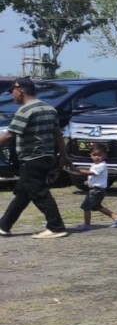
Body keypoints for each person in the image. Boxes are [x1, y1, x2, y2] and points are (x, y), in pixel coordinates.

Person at [0, 78, 69, 238]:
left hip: (31, 158)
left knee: (39, 192)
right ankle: (4, 225)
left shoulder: (25, 111)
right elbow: (57, 134)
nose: (13, 96)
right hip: (46, 157)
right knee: (24, 192)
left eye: (13, 92)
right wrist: (64, 155)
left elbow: (10, 134)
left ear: (20, 91)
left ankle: (56, 227)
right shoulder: (49, 109)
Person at [76, 143, 117, 232]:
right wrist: (89, 181)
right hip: (96, 190)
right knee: (97, 206)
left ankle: (87, 225)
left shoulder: (101, 165)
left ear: (105, 155)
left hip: (96, 191)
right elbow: (97, 177)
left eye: (99, 155)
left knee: (86, 207)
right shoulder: (95, 165)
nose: (97, 157)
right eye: (94, 155)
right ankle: (116, 218)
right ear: (90, 155)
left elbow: (92, 173)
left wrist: (77, 170)